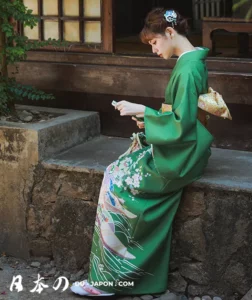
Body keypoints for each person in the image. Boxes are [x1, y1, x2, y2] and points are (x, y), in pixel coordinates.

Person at [70, 7, 213, 297]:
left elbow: (180, 124)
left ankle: (109, 281)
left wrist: (145, 111)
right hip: (184, 146)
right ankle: (114, 273)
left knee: (116, 182)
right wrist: (149, 119)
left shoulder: (188, 68)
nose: (153, 49)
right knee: (118, 169)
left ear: (170, 33)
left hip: (181, 154)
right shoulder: (190, 61)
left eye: (154, 42)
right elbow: (180, 118)